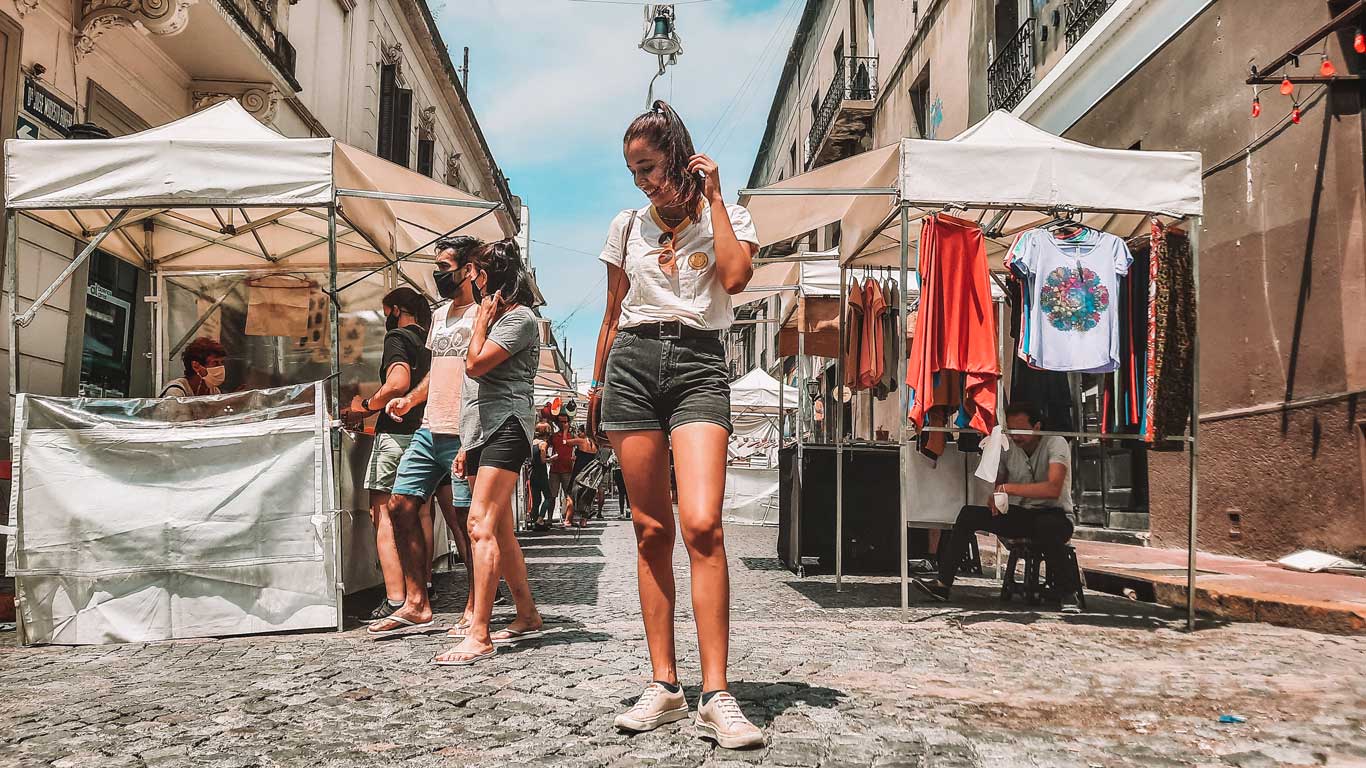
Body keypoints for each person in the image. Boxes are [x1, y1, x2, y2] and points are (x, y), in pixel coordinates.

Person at [587, 100, 764, 749]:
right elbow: (611, 310)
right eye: (634, 172)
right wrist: (597, 384)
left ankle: (717, 693)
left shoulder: (727, 214)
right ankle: (665, 685)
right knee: (650, 527)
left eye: (651, 168)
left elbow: (738, 277)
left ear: (679, 157)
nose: (643, 182)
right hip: (631, 367)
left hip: (697, 365)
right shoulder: (625, 226)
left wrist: (715, 197)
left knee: (702, 523)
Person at [434, 238, 544, 666]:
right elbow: (474, 389)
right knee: (498, 530)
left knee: (479, 525)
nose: (468, 278)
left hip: (508, 427)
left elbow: (476, 364)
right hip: (482, 430)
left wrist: (480, 321)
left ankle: (479, 632)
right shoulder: (499, 317)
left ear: (489, 276)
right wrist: (466, 443)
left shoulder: (519, 319)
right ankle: (527, 613)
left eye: (475, 272)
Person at [367, 237, 481, 638]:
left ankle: (475, 605)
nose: (438, 276)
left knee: (468, 523)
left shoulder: (485, 313)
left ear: (468, 270)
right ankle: (416, 604)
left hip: (466, 427)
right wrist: (409, 398)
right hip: (430, 425)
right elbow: (438, 371)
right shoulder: (439, 316)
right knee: (399, 505)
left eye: (445, 268)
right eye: (437, 268)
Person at [925, 402, 1082, 613]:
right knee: (968, 514)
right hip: (1022, 516)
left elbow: (1053, 489)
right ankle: (943, 585)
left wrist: (1009, 488)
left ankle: (1068, 593)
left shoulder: (1056, 443)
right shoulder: (1009, 446)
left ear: (1036, 427)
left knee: (1048, 526)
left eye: (1020, 430)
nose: (1015, 436)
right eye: (1011, 430)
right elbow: (1000, 482)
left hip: (1055, 515)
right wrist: (996, 497)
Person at [347, 287, 435, 624]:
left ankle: (397, 596)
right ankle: (422, 588)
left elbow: (398, 382)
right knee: (420, 513)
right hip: (426, 430)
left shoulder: (398, 336)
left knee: (382, 512)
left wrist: (366, 406)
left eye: (386, 311)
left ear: (396, 310)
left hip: (396, 433)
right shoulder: (430, 342)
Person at [161, 337, 227, 397]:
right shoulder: (175, 393)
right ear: (196, 366)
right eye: (215, 363)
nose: (221, 367)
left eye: (222, 363)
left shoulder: (214, 391)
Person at [546, 412, 577, 524]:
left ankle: (568, 519)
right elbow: (546, 447)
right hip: (555, 470)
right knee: (552, 496)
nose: (563, 424)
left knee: (569, 496)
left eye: (565, 421)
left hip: (568, 470)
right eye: (561, 422)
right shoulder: (553, 436)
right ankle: (549, 519)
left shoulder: (572, 436)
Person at [530, 421, 554, 530]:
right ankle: (540, 519)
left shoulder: (532, 443)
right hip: (541, 474)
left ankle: (534, 521)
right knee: (548, 497)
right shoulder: (543, 444)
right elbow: (543, 460)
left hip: (533, 474)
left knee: (536, 500)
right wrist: (552, 458)